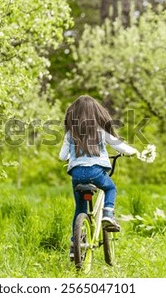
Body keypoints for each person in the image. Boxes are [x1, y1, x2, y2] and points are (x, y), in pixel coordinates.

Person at [59, 95, 138, 259]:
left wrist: (72, 158)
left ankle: (75, 247)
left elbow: (62, 156)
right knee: (110, 187)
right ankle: (108, 214)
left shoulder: (70, 134)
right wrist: (133, 152)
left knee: (79, 209)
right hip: (96, 173)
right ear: (96, 114)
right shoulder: (101, 132)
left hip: (77, 175)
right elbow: (121, 146)